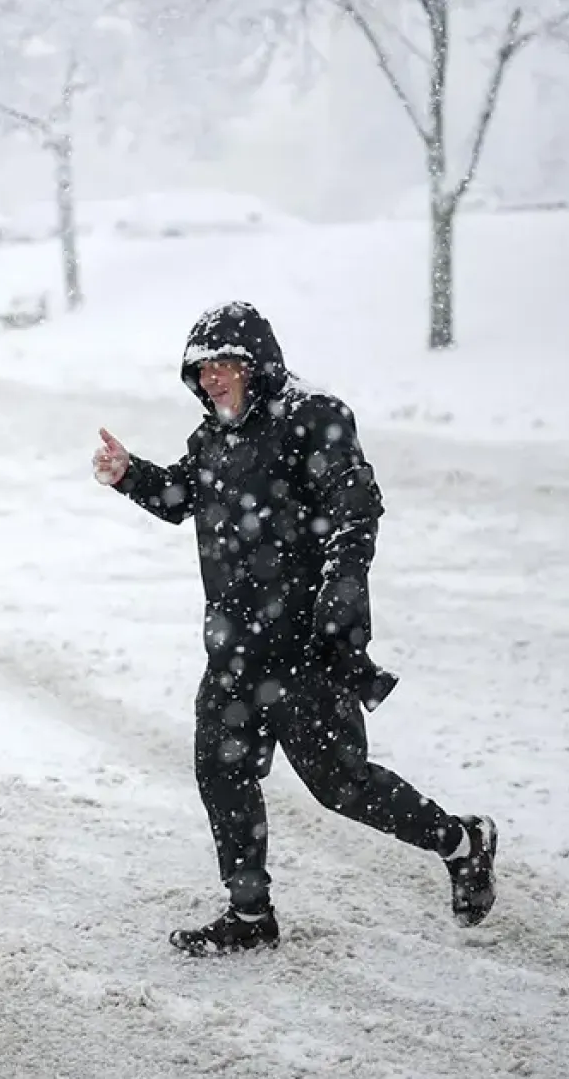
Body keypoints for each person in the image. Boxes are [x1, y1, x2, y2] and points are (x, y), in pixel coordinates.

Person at [92, 301, 497, 956]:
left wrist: (341, 586)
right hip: (234, 653)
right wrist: (129, 475)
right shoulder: (212, 438)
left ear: (257, 364)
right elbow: (178, 499)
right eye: (201, 370)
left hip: (302, 651)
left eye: (224, 365)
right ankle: (250, 917)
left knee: (343, 787)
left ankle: (461, 840)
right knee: (221, 774)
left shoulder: (314, 419)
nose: (212, 379)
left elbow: (356, 508)